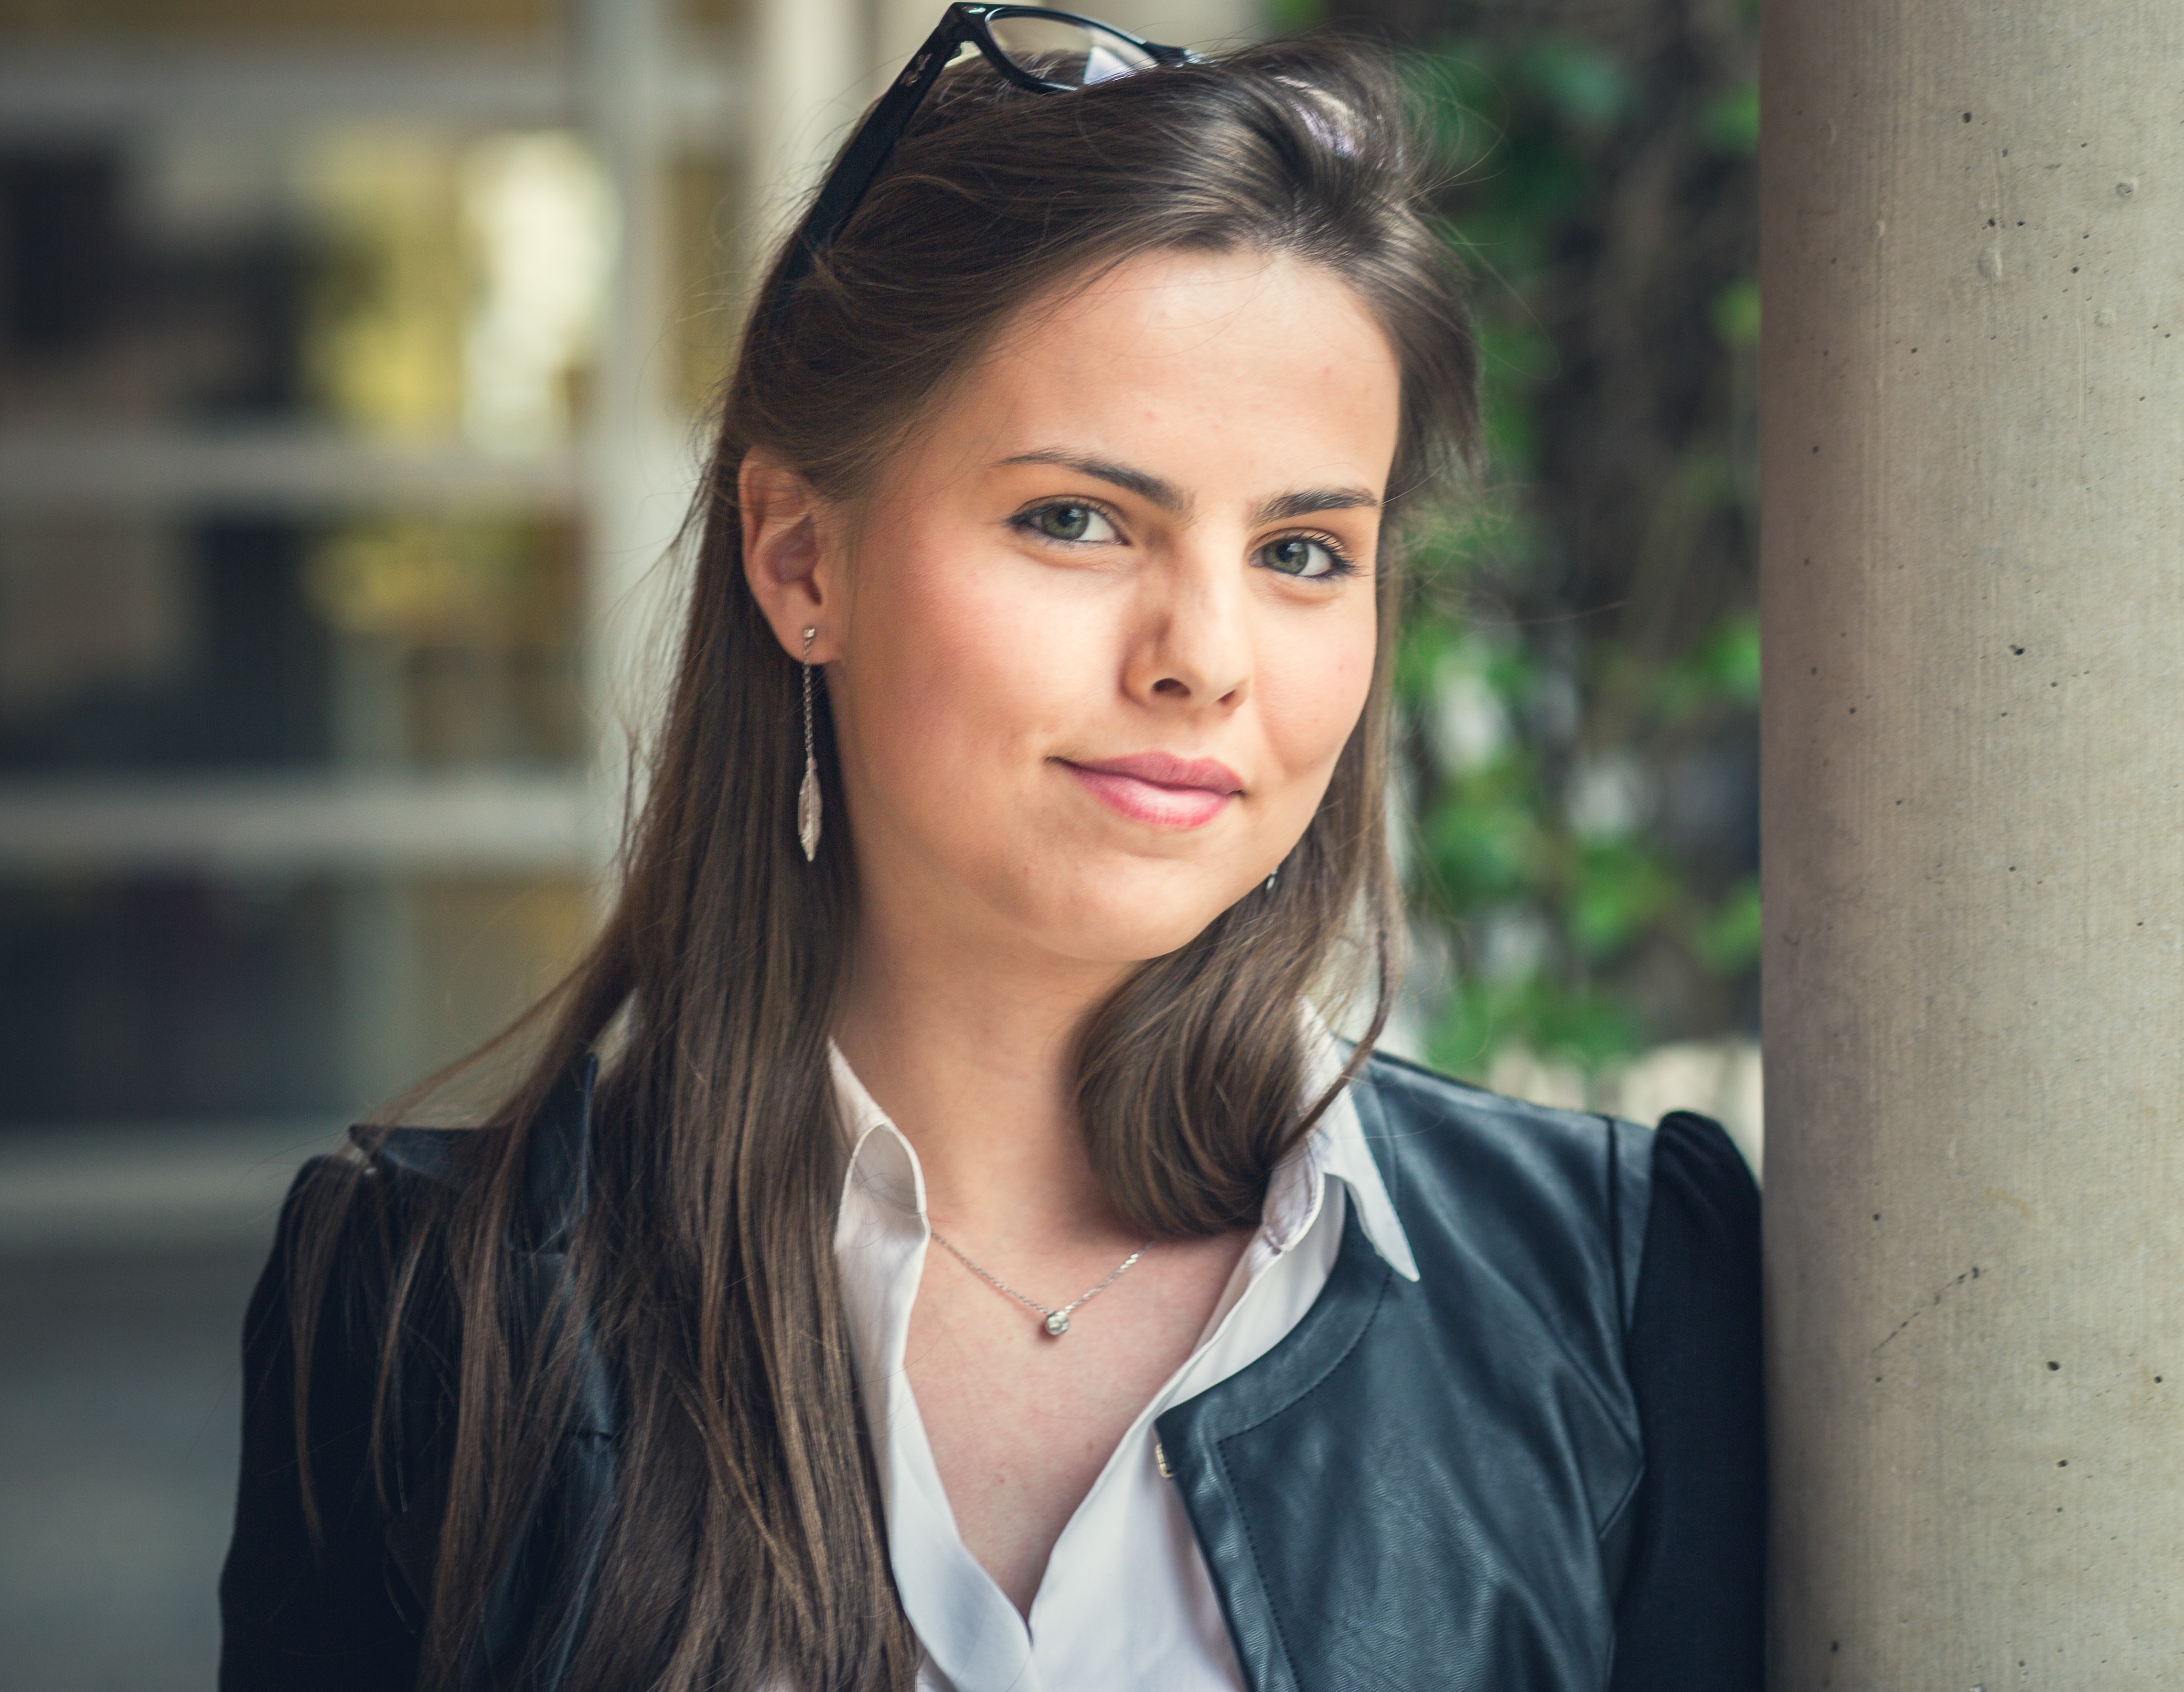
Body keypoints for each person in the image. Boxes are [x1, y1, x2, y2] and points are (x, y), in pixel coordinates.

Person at [216, 17, 1762, 1692]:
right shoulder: (429, 1316)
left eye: (1306, 550)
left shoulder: (1613, 1294)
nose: (1206, 657)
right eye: (1079, 520)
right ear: (802, 560)